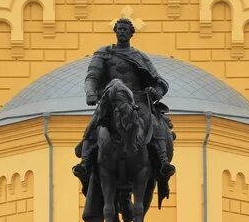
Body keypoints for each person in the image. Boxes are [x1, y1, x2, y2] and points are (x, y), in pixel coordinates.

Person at [73, 17, 175, 186]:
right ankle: (84, 162)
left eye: (125, 29)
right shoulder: (103, 53)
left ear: (131, 33)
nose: (122, 31)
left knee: (154, 122)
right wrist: (90, 93)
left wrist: (155, 92)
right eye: (119, 29)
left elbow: (158, 80)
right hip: (111, 99)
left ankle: (163, 160)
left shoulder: (139, 56)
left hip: (137, 99)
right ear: (115, 31)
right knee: (94, 125)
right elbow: (92, 76)